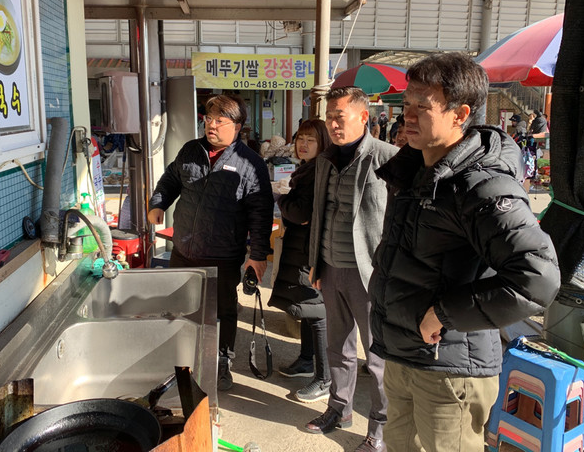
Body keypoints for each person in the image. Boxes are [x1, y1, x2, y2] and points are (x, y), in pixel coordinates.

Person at [369, 52, 560, 452]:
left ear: (460, 115)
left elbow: (537, 278)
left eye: (423, 107)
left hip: (450, 369)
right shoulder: (415, 169)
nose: (407, 116)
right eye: (406, 104)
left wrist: (443, 313)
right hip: (403, 355)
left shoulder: (480, 184)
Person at [147, 94, 274, 391]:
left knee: (223, 310)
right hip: (184, 250)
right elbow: (170, 180)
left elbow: (261, 213)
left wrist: (258, 255)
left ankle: (222, 360)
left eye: (220, 120)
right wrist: (158, 203)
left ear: (238, 126)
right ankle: (182, 358)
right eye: (208, 119)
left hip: (223, 255)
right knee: (182, 306)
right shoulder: (191, 150)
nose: (211, 125)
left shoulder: (250, 163)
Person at [305, 86, 398, 452]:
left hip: (370, 273)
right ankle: (339, 409)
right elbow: (319, 213)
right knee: (338, 347)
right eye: (329, 117)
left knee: (377, 358)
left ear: (363, 117)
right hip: (331, 267)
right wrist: (315, 262)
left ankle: (380, 429)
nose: (332, 124)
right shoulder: (325, 159)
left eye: (339, 117)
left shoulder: (388, 158)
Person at [269, 119, 332, 403]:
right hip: (302, 246)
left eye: (311, 140)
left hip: (311, 250)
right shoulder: (308, 168)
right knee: (307, 308)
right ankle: (307, 360)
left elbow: (301, 213)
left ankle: (324, 378)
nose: (303, 144)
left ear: (323, 143)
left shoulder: (318, 171)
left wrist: (282, 198)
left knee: (315, 309)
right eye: (300, 139)